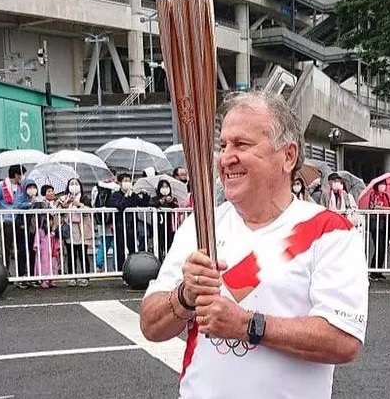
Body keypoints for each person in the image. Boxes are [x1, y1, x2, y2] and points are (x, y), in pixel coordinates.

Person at [140, 92, 368, 399]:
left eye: (241, 145)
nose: (225, 158)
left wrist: (247, 325)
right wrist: (185, 295)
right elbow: (151, 326)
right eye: (223, 145)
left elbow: (343, 340)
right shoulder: (201, 225)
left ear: (288, 156)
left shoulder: (329, 232)